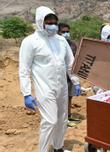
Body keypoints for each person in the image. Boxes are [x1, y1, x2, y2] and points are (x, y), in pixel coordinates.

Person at [19, 6, 80, 152]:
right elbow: (24, 69)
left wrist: (76, 82)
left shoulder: (61, 41)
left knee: (62, 120)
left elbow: (70, 63)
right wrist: (26, 93)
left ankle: (58, 147)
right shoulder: (30, 42)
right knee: (50, 121)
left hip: (62, 87)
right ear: (41, 22)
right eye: (49, 22)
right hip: (45, 88)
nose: (53, 25)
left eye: (54, 22)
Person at [57, 23, 81, 127]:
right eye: (63, 32)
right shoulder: (56, 45)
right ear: (58, 32)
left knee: (69, 97)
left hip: (70, 76)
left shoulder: (72, 44)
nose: (66, 33)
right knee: (62, 98)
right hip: (60, 76)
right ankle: (63, 119)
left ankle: (69, 115)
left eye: (67, 31)